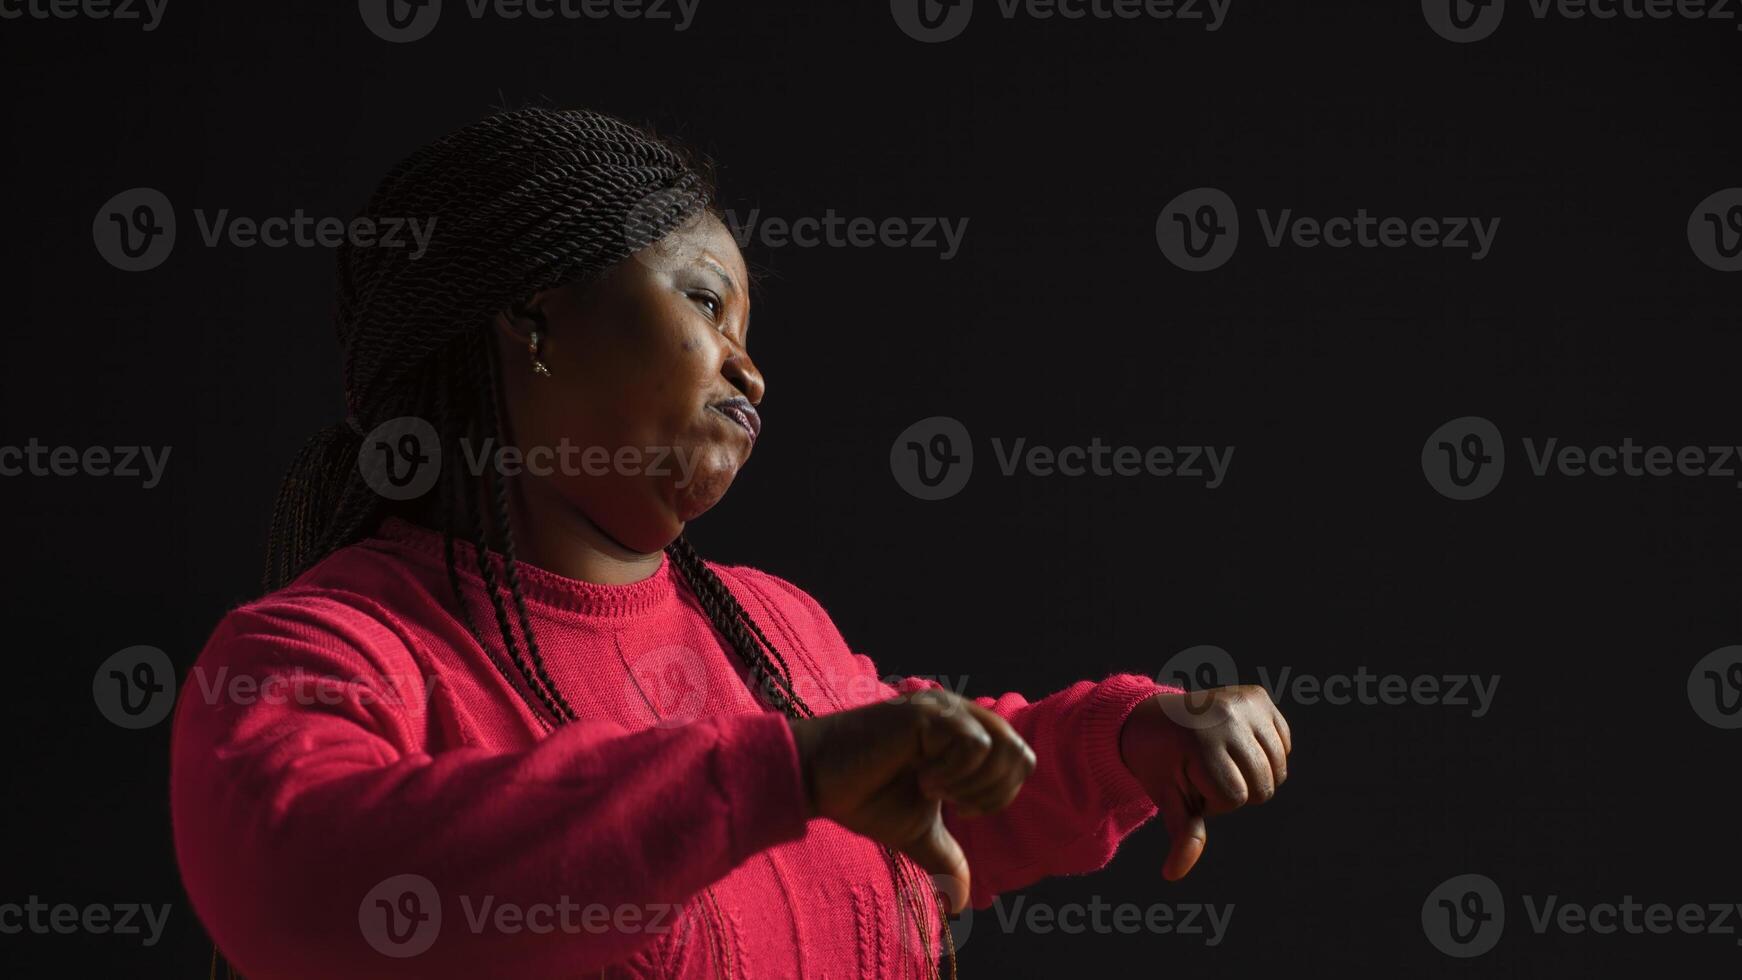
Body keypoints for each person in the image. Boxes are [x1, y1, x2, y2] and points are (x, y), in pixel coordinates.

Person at [170, 106, 1292, 980]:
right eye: (705, 304)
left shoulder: (771, 627)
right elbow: (303, 881)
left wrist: (1134, 739)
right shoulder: (327, 645)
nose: (748, 368)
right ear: (533, 317)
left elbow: (935, 777)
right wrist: (776, 772)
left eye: (747, 332)